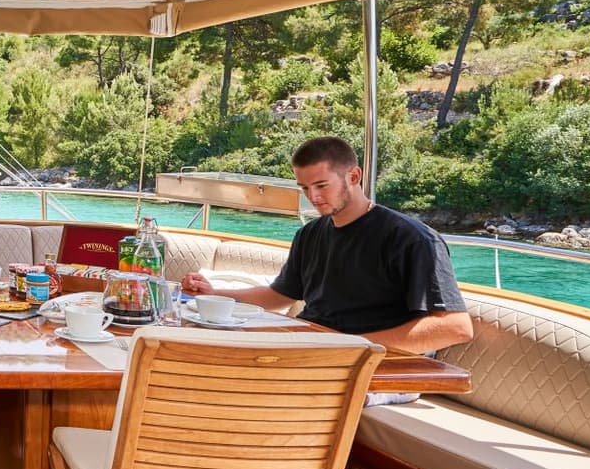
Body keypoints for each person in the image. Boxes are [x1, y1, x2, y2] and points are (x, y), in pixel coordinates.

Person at [181, 136, 473, 355]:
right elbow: (279, 296)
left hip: (377, 361)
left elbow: (456, 327)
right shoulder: (310, 234)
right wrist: (214, 293)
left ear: (354, 176)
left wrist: (351, 346)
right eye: (305, 188)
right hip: (316, 346)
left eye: (322, 185)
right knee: (207, 350)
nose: (313, 196)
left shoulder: (411, 239)